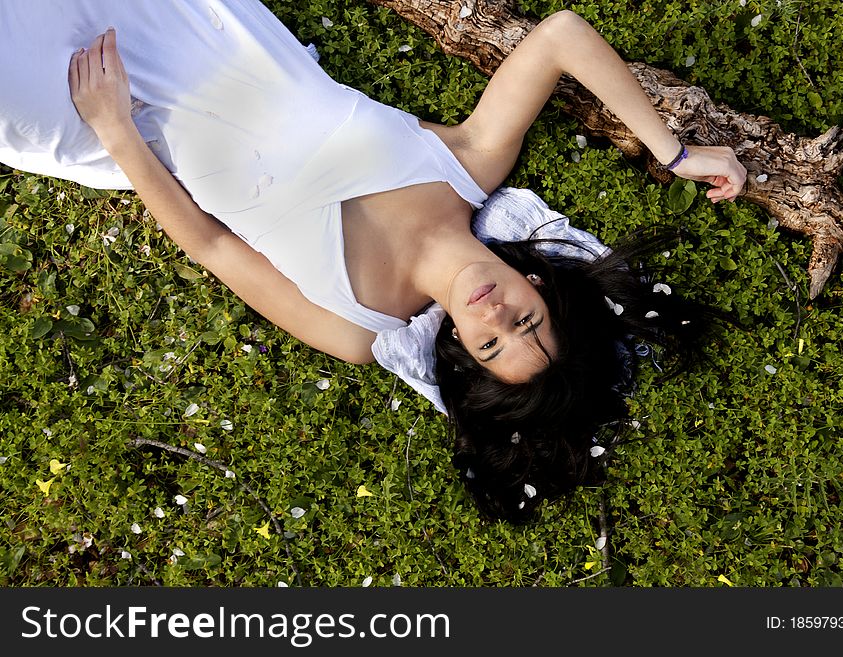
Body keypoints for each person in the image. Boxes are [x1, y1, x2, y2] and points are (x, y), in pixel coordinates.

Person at [0, 1, 746, 521]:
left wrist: (115, 130)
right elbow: (559, 35)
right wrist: (671, 150)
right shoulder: (470, 161)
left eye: (492, 342)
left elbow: (212, 243)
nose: (495, 314)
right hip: (198, 23)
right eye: (526, 318)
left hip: (108, 107)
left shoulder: (358, 327)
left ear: (463, 352)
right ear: (541, 281)